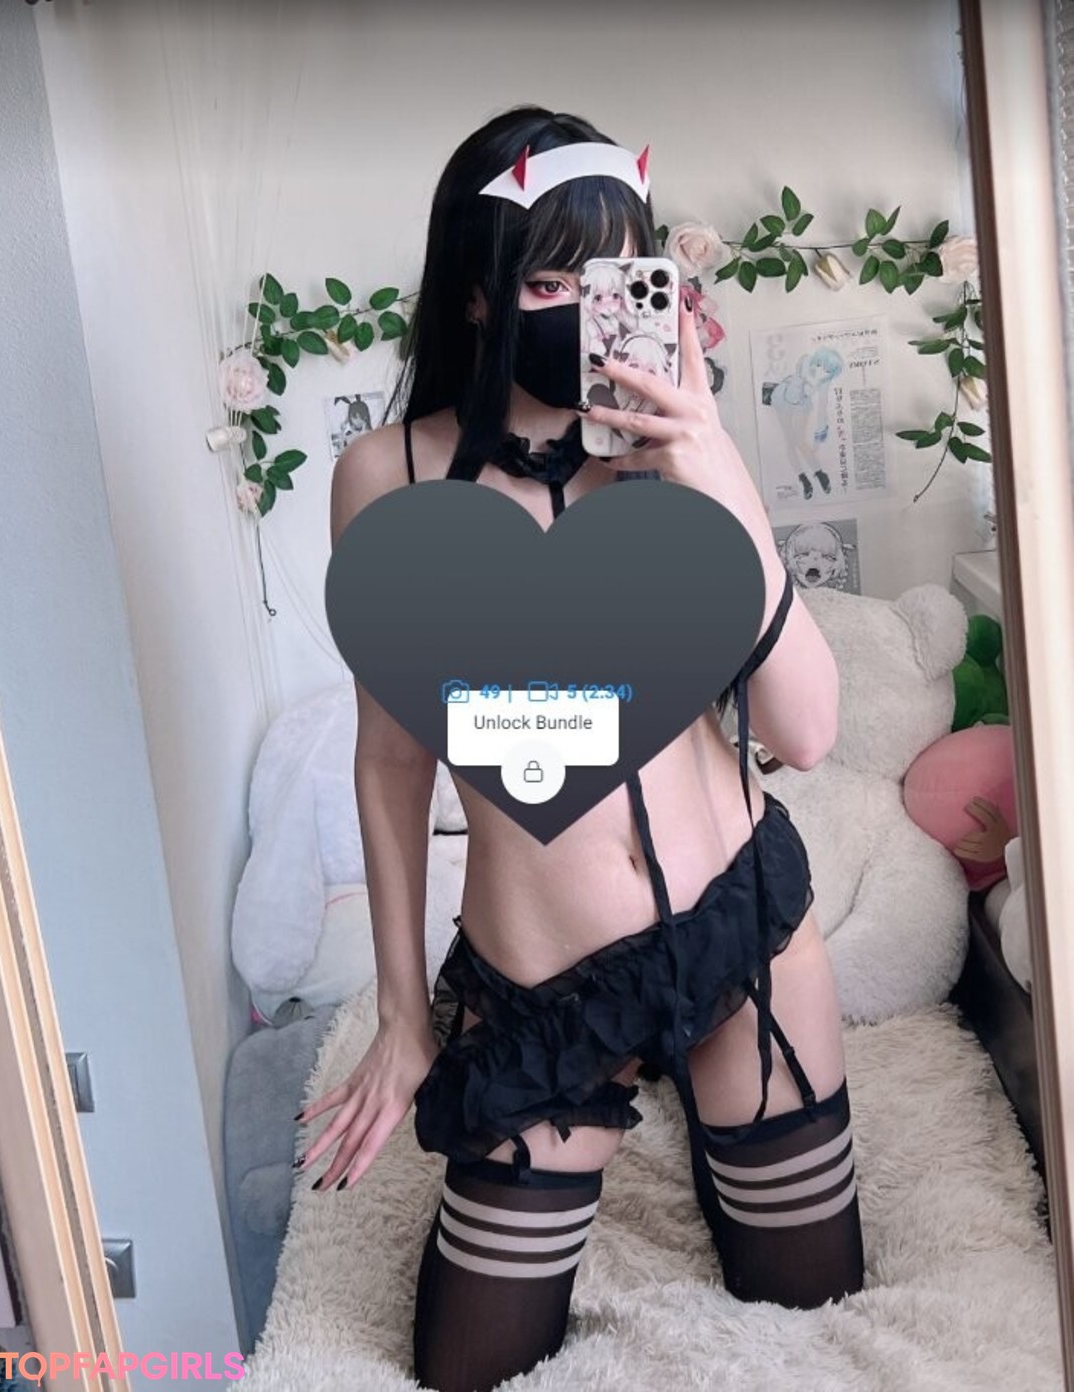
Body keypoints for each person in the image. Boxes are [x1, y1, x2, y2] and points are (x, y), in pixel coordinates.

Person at [314, 106, 865, 1392]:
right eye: (552, 281)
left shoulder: (678, 459)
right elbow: (391, 761)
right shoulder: (387, 479)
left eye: (619, 275)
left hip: (740, 935)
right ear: (477, 292)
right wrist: (402, 1016)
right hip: (541, 991)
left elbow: (806, 729)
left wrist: (708, 454)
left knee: (814, 1321)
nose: (589, 311)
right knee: (466, 1370)